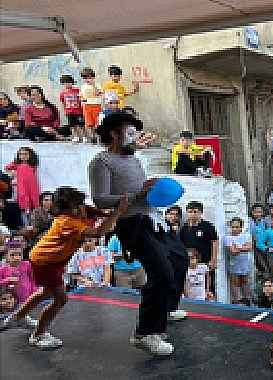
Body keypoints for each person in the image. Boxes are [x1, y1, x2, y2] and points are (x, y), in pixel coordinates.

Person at [89, 112, 187, 355]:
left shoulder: (133, 159)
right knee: (161, 273)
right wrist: (137, 195)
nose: (135, 138)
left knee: (179, 257)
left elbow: (140, 189)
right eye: (130, 133)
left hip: (150, 218)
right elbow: (100, 199)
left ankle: (167, 307)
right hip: (130, 224)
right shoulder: (101, 162)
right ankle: (146, 333)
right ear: (114, 133)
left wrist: (153, 190)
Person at [1, 186, 127, 349]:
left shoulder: (79, 209)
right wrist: (118, 211)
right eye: (76, 207)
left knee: (45, 292)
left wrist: (110, 212)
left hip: (50, 259)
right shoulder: (66, 222)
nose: (81, 209)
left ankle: (17, 318)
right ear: (64, 209)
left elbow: (95, 212)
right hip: (45, 262)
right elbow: (98, 233)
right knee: (60, 299)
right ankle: (38, 336)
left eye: (81, 204)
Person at [180, 201, 219, 299]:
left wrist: (213, 259)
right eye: (190, 212)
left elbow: (214, 242)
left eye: (195, 212)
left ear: (200, 213)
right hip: (190, 263)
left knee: (208, 285)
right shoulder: (184, 228)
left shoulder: (207, 226)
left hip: (204, 261)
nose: (192, 214)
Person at [4, 147, 40, 224]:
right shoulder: (17, 165)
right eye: (20, 154)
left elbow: (31, 183)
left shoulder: (31, 167)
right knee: (22, 214)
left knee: (29, 213)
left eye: (25, 154)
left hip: (29, 189)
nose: (23, 156)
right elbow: (7, 167)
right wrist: (10, 172)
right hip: (20, 191)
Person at [224, 217, 252, 304]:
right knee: (234, 282)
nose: (235, 229)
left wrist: (238, 248)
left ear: (241, 227)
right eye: (233, 227)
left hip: (244, 262)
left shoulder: (246, 236)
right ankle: (236, 300)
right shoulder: (227, 238)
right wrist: (242, 248)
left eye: (237, 227)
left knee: (244, 281)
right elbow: (232, 251)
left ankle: (247, 299)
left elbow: (249, 247)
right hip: (234, 262)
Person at [79, 67, 102, 143]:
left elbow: (97, 93)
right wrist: (82, 99)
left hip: (96, 105)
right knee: (89, 123)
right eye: (85, 78)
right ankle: (92, 137)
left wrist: (93, 85)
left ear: (93, 77)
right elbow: (81, 96)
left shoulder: (97, 85)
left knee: (97, 123)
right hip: (87, 106)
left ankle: (98, 136)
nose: (88, 79)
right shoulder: (83, 87)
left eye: (89, 77)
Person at [59, 74, 84, 142]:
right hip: (69, 112)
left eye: (69, 82)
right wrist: (65, 111)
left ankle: (84, 136)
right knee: (72, 125)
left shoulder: (77, 90)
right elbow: (63, 102)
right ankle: (75, 136)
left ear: (72, 83)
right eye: (65, 83)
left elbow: (81, 99)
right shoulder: (62, 93)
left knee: (81, 125)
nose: (68, 84)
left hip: (78, 111)